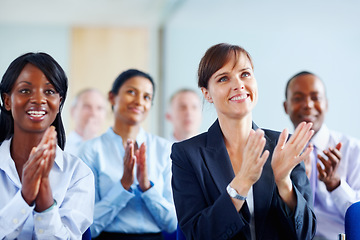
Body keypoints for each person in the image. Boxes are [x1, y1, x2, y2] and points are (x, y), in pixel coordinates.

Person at [171, 43, 317, 240]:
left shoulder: (284, 146)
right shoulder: (188, 154)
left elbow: (306, 234)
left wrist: (284, 183)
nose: (238, 84)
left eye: (245, 74)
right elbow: (197, 234)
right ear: (207, 94)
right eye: (223, 78)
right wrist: (242, 183)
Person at [0, 52, 94, 239]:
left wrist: (44, 200)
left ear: (59, 102)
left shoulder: (78, 174)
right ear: (7, 101)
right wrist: (25, 198)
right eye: (25, 90)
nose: (38, 99)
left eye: (49, 91)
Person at [79, 69, 177, 239]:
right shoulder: (91, 150)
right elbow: (87, 226)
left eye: (146, 97)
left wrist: (146, 187)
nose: (139, 101)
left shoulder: (165, 149)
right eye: (131, 92)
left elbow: (172, 223)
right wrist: (123, 186)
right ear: (112, 97)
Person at [283, 71, 360, 240]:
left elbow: (358, 216)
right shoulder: (279, 153)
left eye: (315, 97)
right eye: (298, 98)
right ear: (286, 107)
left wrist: (335, 184)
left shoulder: (353, 149)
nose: (308, 105)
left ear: (326, 104)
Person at [65, 88, 107, 156]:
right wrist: (88, 142)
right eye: (87, 107)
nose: (94, 113)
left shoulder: (108, 148)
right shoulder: (61, 148)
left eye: (99, 108)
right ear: (73, 111)